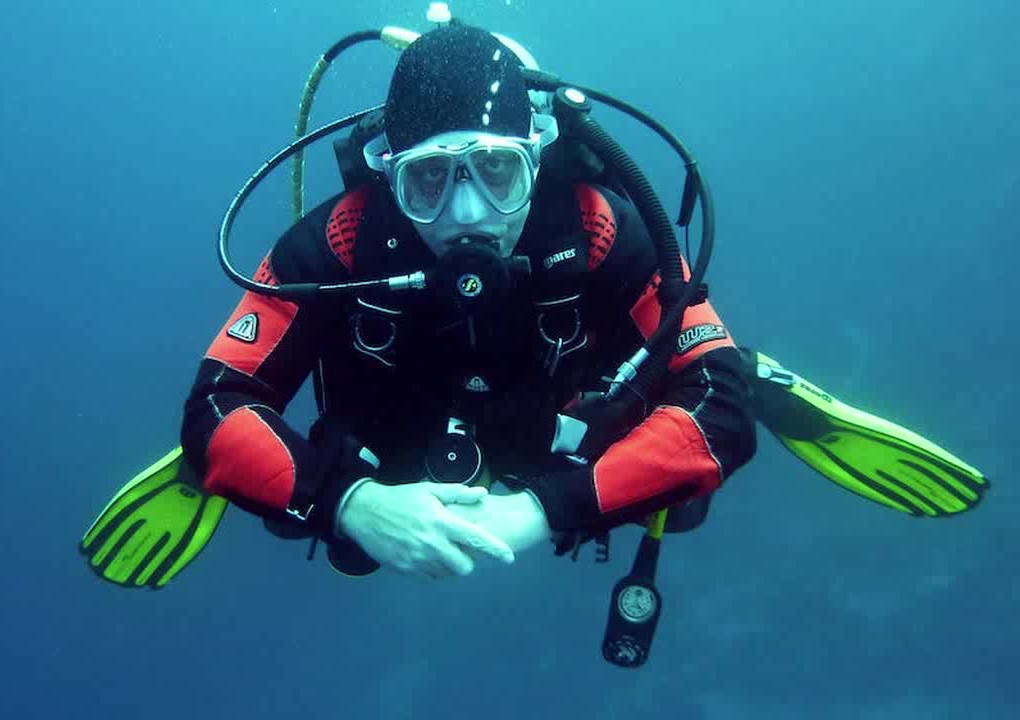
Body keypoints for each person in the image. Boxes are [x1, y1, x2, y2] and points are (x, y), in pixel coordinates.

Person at [178, 24, 758, 579]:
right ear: (389, 175)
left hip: (562, 433)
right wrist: (348, 503)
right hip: (394, 446)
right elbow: (214, 402)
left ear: (535, 156)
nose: (468, 214)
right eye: (428, 179)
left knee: (681, 506)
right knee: (299, 517)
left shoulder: (597, 227)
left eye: (497, 169)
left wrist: (543, 509)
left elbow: (722, 402)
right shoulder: (340, 243)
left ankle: (761, 372)